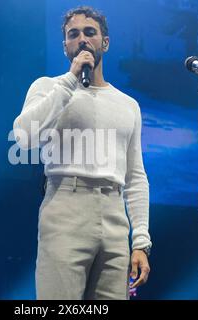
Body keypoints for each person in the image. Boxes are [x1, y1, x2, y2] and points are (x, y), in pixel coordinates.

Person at [13, 6, 151, 300]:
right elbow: (24, 136)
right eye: (73, 34)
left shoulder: (128, 105)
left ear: (105, 42)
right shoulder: (48, 87)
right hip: (66, 206)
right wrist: (70, 80)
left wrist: (140, 241)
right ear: (65, 46)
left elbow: (136, 176)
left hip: (114, 215)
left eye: (90, 32)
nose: (82, 39)